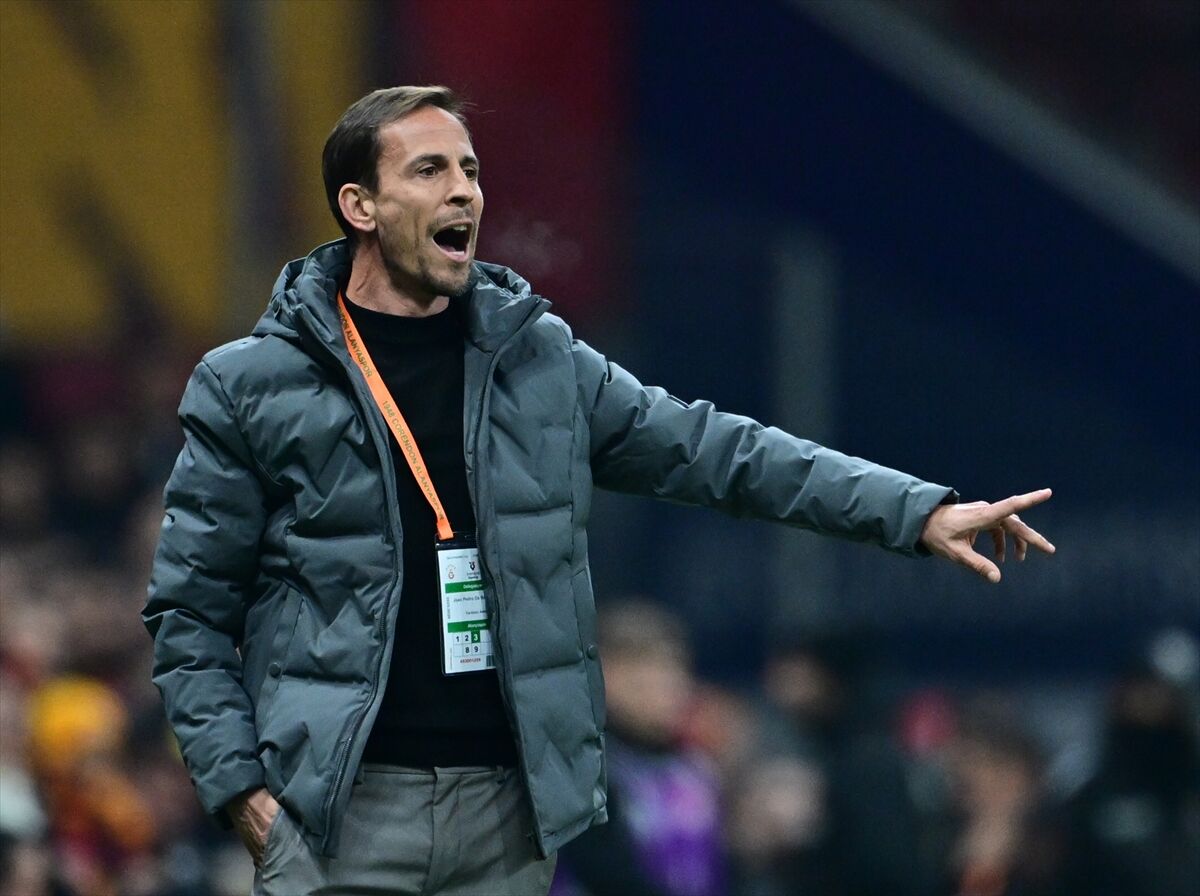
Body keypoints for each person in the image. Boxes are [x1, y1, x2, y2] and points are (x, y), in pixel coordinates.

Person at [142, 85, 1055, 895]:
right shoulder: (251, 384)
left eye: (469, 169)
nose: (464, 191)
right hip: (339, 813)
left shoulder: (537, 359)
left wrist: (915, 510)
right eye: (429, 170)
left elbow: (717, 451)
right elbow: (188, 613)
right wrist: (241, 793)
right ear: (360, 206)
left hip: (504, 817)